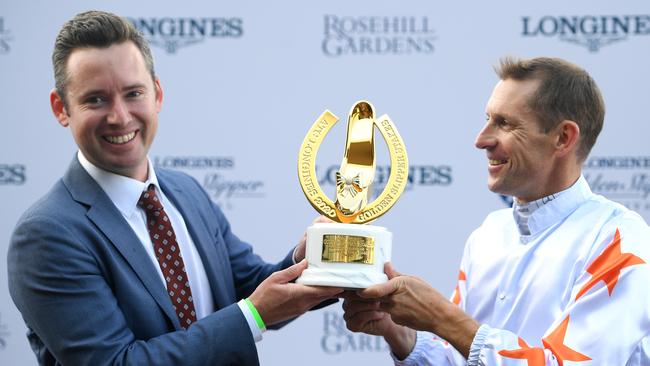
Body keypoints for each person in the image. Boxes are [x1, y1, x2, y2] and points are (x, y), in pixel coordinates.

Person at [7, 10, 342, 365]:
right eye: (96, 99)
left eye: (133, 93)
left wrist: (315, 258)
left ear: (158, 94)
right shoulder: (46, 235)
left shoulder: (186, 192)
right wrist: (253, 316)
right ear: (62, 108)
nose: (119, 116)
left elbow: (249, 289)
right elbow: (117, 362)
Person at [342, 57, 650, 365]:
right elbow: (459, 359)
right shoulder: (489, 233)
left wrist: (443, 318)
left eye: (504, 123)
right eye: (488, 119)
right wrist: (400, 335)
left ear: (563, 138)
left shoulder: (618, 239)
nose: (481, 140)